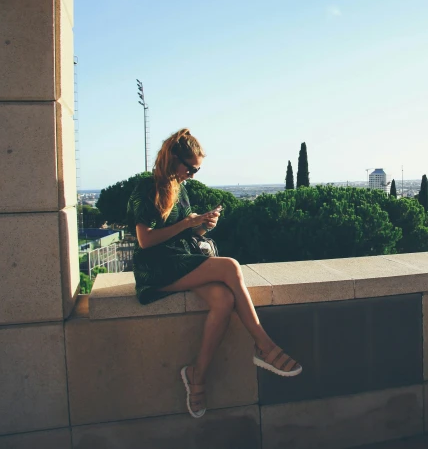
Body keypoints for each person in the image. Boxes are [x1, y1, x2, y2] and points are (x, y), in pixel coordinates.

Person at [126, 128, 302, 418]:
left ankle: (197, 374)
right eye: (191, 168)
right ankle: (264, 345)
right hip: (156, 267)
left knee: (223, 300)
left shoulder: (179, 188)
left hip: (180, 259)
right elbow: (146, 240)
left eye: (196, 170)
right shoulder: (147, 187)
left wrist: (203, 225)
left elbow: (185, 229)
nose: (193, 175)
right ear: (174, 159)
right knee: (230, 266)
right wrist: (187, 225)